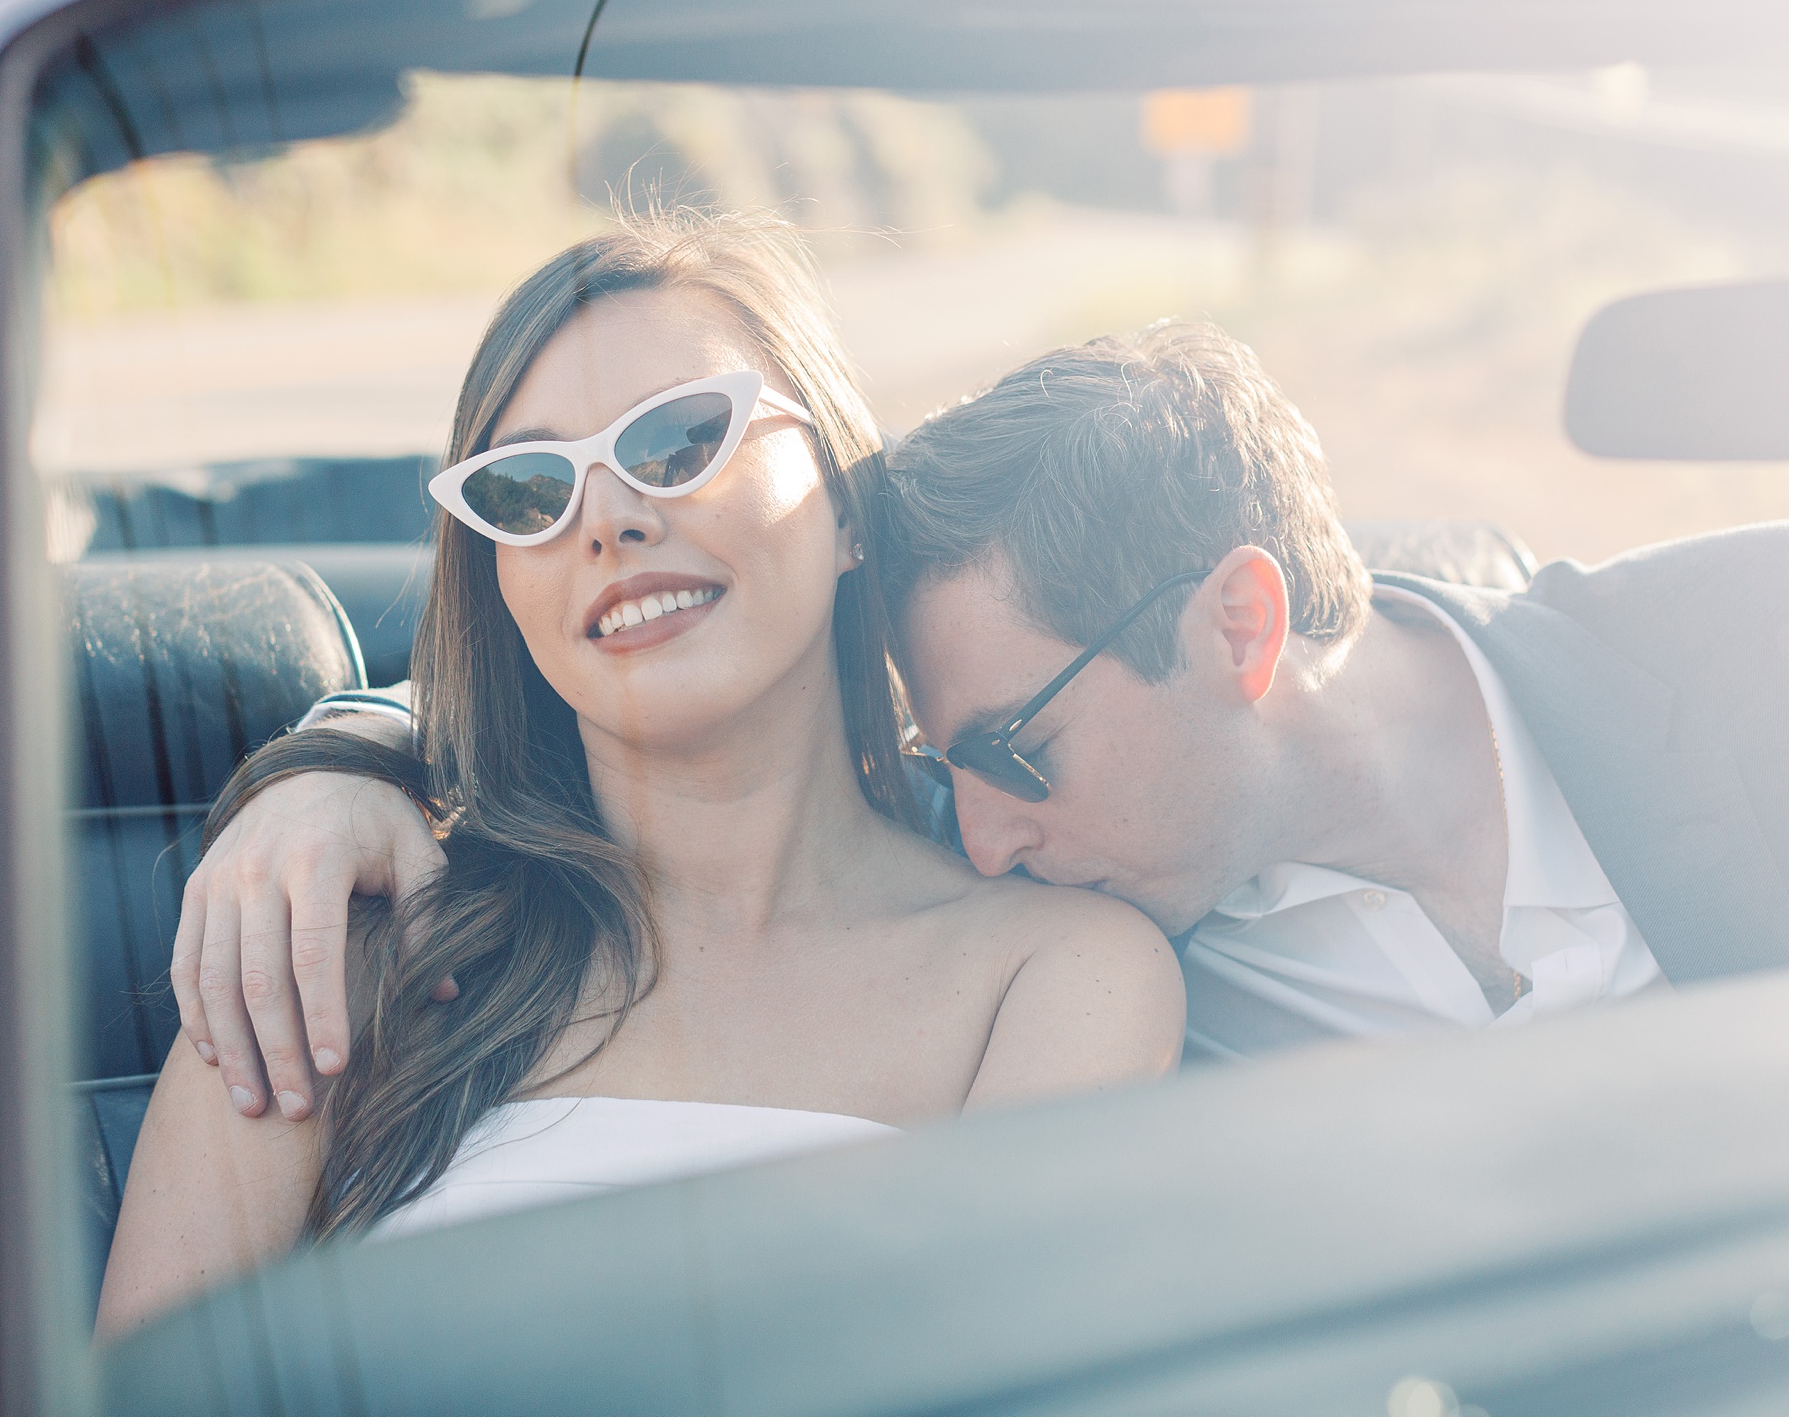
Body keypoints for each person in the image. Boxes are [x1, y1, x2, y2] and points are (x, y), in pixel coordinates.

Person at [178, 314, 1783, 1081]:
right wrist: (342, 759)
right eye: (958, 762)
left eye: (1019, 748)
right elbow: (640, 689)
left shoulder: (1750, 653)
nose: (987, 832)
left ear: (1240, 622)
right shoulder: (1075, 928)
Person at [97, 216, 1183, 1336]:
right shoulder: (335, 947)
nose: (606, 521)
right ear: (501, 588)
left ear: (848, 504)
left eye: (678, 441)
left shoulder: (1054, 974)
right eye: (525, 492)